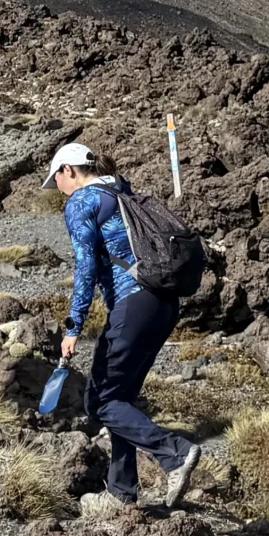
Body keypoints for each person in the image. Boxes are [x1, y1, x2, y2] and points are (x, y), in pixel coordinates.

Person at [49, 142, 199, 510]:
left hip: (133, 302)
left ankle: (174, 453)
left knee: (100, 401)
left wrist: (73, 327)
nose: (59, 190)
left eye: (57, 181)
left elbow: (85, 267)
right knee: (120, 399)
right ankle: (121, 493)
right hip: (163, 302)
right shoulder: (121, 189)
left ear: (69, 170)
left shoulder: (82, 202)